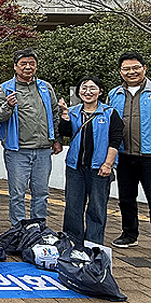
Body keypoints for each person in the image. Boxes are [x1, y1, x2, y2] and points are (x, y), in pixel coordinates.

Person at [0, 49, 62, 226]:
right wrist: (8, 106)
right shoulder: (5, 88)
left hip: (43, 150)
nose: (28, 67)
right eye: (23, 63)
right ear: (15, 66)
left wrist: (56, 139)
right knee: (17, 194)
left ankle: (38, 227)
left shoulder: (45, 87)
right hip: (17, 150)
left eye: (32, 63)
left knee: (41, 193)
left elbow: (55, 113)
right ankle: (18, 229)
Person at [59, 76, 123, 246]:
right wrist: (65, 116)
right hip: (75, 167)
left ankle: (93, 244)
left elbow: (116, 140)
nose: (88, 91)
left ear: (100, 91)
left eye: (92, 88)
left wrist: (108, 164)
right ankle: (72, 242)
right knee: (73, 207)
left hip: (99, 168)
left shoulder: (110, 113)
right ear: (79, 91)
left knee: (97, 207)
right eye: (84, 88)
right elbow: (65, 133)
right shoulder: (73, 111)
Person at [107, 52, 151, 248]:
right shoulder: (114, 94)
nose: (131, 72)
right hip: (124, 155)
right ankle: (129, 234)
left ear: (144, 68)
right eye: (126, 69)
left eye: (135, 68)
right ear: (120, 71)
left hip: (149, 156)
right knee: (126, 198)